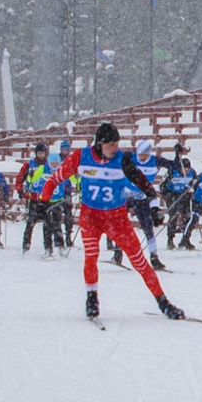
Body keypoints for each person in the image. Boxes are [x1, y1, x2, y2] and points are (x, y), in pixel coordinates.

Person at [36, 123, 182, 322]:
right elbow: (53, 180)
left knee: (138, 260)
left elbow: (147, 187)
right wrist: (43, 202)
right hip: (90, 217)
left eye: (117, 144)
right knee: (91, 256)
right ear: (100, 144)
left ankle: (163, 302)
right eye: (111, 145)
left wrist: (155, 207)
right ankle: (92, 298)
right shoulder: (81, 156)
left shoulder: (122, 161)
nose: (114, 149)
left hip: (116, 219)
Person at [130, 138, 169, 268]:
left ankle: (154, 257)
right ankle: (117, 253)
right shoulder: (130, 159)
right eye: (140, 154)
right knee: (120, 226)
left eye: (145, 154)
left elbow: (172, 165)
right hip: (127, 195)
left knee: (149, 229)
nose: (142, 157)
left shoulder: (154, 161)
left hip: (144, 198)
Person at [19, 142, 57, 257]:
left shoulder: (48, 165)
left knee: (48, 225)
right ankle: (25, 246)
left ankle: (48, 248)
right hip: (34, 198)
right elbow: (20, 177)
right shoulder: (29, 164)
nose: (41, 155)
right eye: (39, 153)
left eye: (43, 153)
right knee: (30, 224)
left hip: (45, 198)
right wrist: (20, 190)